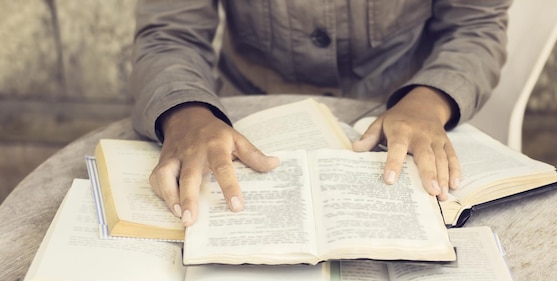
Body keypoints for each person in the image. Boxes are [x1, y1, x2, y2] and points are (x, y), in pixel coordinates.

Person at [131, 0, 512, 226]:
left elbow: (474, 25)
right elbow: (170, 32)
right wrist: (185, 112)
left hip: (400, 119)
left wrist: (429, 101)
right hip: (238, 126)